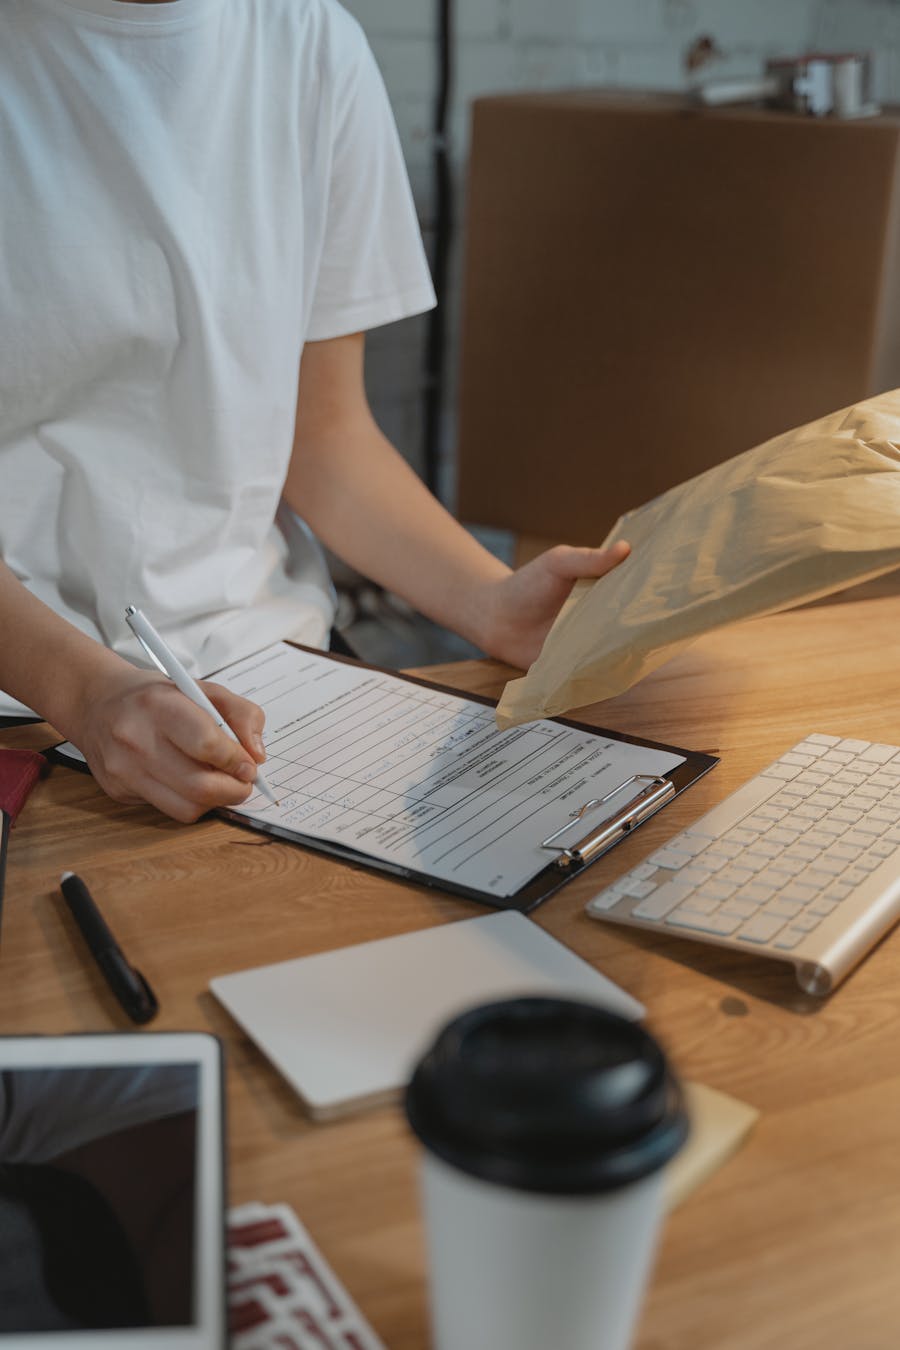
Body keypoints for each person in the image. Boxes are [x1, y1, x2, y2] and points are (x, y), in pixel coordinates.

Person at [0, 0, 629, 823]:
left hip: (275, 677)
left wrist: (493, 606)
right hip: (27, 703)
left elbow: (324, 437)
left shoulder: (310, 42)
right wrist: (86, 693)